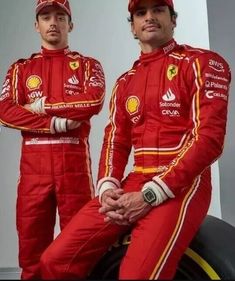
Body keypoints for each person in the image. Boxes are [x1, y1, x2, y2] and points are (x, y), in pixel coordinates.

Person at [39, 0, 231, 279]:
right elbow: (115, 140)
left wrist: (152, 194)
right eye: (140, 13)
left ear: (173, 19)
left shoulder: (203, 63)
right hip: (134, 182)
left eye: (158, 10)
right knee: (54, 261)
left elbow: (209, 140)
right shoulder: (125, 82)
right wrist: (107, 188)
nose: (149, 17)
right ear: (133, 27)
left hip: (183, 186)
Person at [0, 0, 105, 279]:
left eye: (60, 16)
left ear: (70, 24)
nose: (53, 22)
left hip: (74, 169)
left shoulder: (87, 66)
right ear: (37, 25)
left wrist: (41, 106)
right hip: (33, 171)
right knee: (31, 248)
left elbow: (92, 101)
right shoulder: (20, 70)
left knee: (80, 247)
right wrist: (56, 123)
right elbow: (5, 110)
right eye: (46, 17)